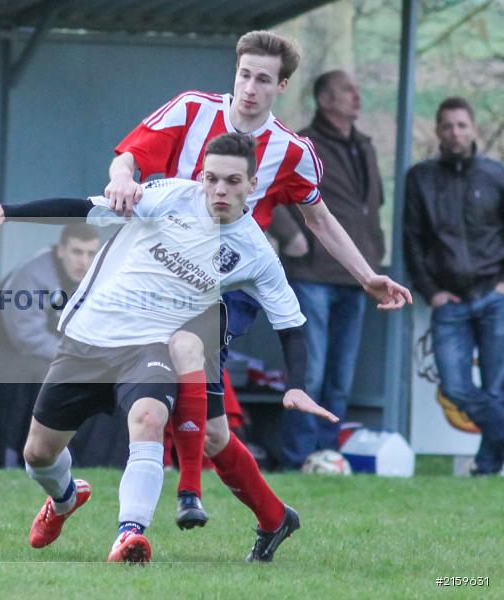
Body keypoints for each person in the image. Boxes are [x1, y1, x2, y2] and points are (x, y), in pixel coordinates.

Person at [0, 132, 339, 563]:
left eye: (232, 181)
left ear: (252, 184)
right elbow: (86, 207)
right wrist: (6, 212)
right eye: (212, 179)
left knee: (150, 419)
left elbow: (292, 322)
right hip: (89, 337)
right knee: (38, 454)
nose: (220, 190)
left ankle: (130, 534)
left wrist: (297, 384)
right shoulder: (170, 195)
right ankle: (64, 497)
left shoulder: (256, 253)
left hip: (148, 347)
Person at [105, 30, 411, 531]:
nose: (249, 87)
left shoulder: (292, 151)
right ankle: (274, 517)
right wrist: (121, 177)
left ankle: (184, 498)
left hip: (230, 287)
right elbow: (130, 154)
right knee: (214, 432)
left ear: (282, 85)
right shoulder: (191, 109)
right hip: (157, 275)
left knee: (187, 347)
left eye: (263, 79)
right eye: (244, 74)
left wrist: (367, 275)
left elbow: (320, 219)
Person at [269, 70, 386, 470]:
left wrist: (372, 257)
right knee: (312, 371)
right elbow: (268, 188)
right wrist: (289, 234)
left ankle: (328, 455)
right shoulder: (303, 144)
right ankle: (298, 457)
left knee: (340, 376)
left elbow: (372, 207)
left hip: (355, 277)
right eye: (346, 91)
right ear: (324, 100)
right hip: (312, 274)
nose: (357, 96)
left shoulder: (365, 147)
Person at [403, 97, 504, 476]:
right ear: (438, 130)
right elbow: (412, 240)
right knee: (456, 387)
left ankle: (486, 466)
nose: (455, 132)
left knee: (496, 391)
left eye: (462, 125)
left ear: (473, 128)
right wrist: (431, 292)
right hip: (448, 302)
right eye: (448, 126)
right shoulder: (421, 178)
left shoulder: (497, 175)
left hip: (493, 297)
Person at [0, 223, 100, 468]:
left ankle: (90, 461)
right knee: (43, 376)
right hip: (4, 347)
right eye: (77, 252)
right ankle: (14, 457)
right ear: (61, 250)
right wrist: (74, 358)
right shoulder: (34, 274)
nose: (84, 261)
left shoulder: (95, 277)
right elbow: (26, 336)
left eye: (90, 254)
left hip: (54, 351)